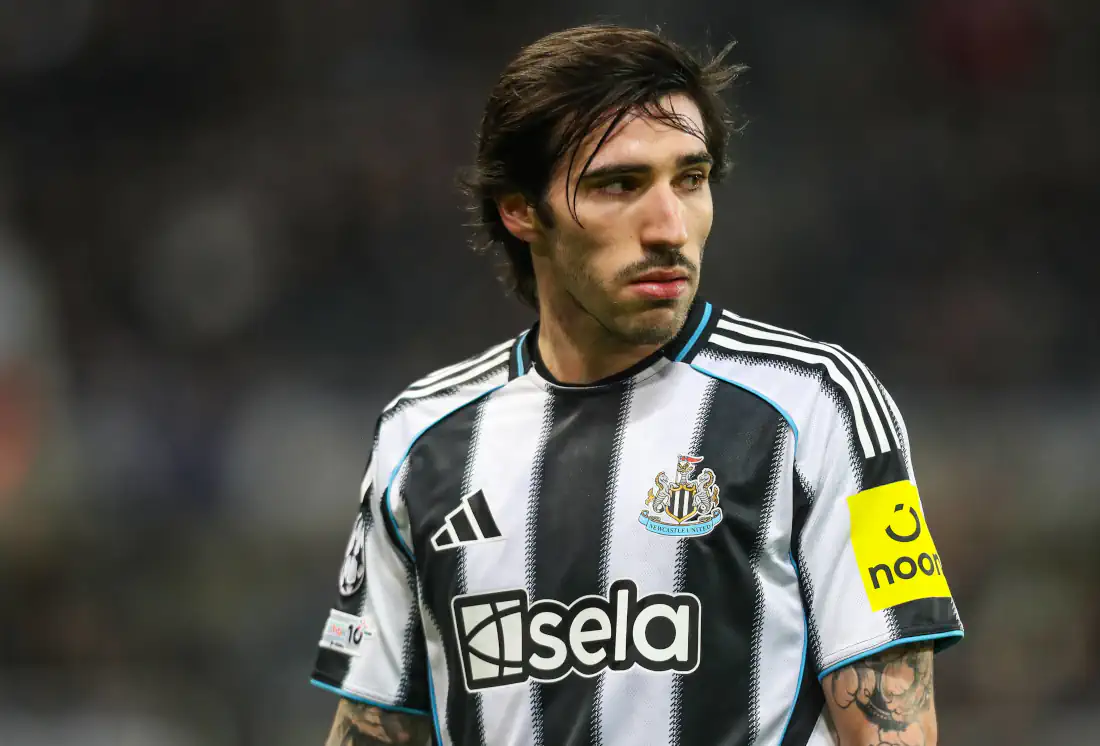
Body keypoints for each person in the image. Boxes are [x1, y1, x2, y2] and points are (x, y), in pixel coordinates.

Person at [311, 24, 963, 746]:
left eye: (691, 179)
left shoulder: (819, 404)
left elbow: (893, 726)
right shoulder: (419, 440)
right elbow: (374, 727)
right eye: (619, 185)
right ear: (520, 208)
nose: (669, 227)